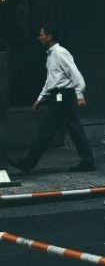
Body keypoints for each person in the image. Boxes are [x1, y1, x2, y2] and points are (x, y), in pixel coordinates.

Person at [9, 24, 95, 173]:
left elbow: (76, 74)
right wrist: (40, 98)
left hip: (63, 96)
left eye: (41, 34)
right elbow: (51, 80)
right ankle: (87, 161)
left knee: (47, 129)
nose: (39, 37)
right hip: (59, 95)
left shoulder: (60, 53)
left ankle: (28, 162)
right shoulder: (50, 55)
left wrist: (80, 94)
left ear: (50, 37)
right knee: (74, 128)